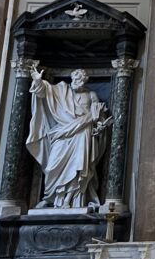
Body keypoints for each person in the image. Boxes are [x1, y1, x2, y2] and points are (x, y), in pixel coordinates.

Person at [26, 65, 112, 209]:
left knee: (78, 167)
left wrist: (100, 125)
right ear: (72, 79)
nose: (78, 82)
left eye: (81, 80)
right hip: (62, 132)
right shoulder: (61, 90)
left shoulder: (91, 95)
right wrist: (38, 81)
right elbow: (44, 92)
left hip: (83, 133)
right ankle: (50, 197)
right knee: (52, 165)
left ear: (85, 81)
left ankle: (68, 200)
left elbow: (98, 114)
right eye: (76, 79)